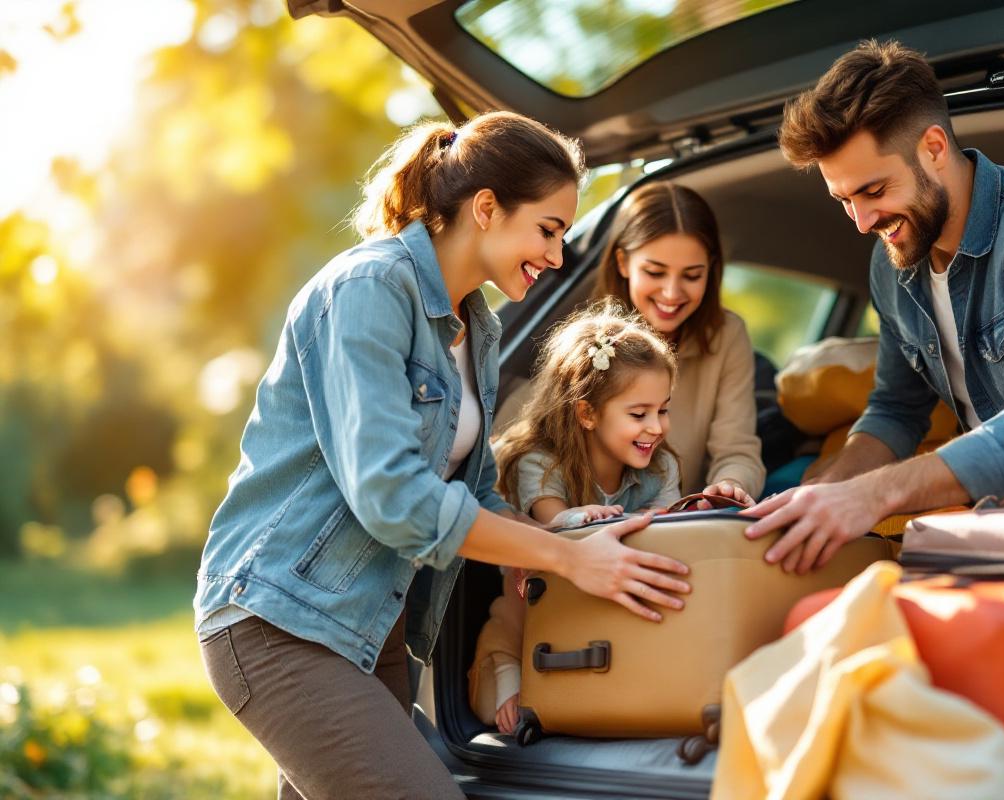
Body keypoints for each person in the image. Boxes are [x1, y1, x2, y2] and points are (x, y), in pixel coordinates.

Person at [194, 112, 692, 800]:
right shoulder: (370, 288)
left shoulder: (476, 327)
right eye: (548, 230)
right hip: (282, 620)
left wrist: (570, 537)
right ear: (486, 208)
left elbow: (476, 491)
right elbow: (393, 495)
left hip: (373, 626)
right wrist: (566, 558)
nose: (557, 257)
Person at [745, 40, 1004, 574]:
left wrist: (874, 494)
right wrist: (821, 494)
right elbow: (896, 412)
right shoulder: (892, 265)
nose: (861, 221)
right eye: (844, 200)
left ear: (933, 148)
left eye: (874, 190)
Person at [470, 300, 682, 732]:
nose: (657, 427)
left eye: (663, 410)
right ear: (587, 413)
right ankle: (506, 673)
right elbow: (551, 529)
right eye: (638, 414)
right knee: (508, 623)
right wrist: (581, 518)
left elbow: (669, 529)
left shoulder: (661, 468)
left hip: (614, 601)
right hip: (535, 605)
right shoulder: (540, 462)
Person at [594, 181, 766, 505]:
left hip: (683, 521)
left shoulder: (727, 336)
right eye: (655, 272)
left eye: (691, 276)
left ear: (710, 270)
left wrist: (729, 486)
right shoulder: (590, 341)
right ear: (623, 263)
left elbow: (737, 449)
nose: (672, 293)